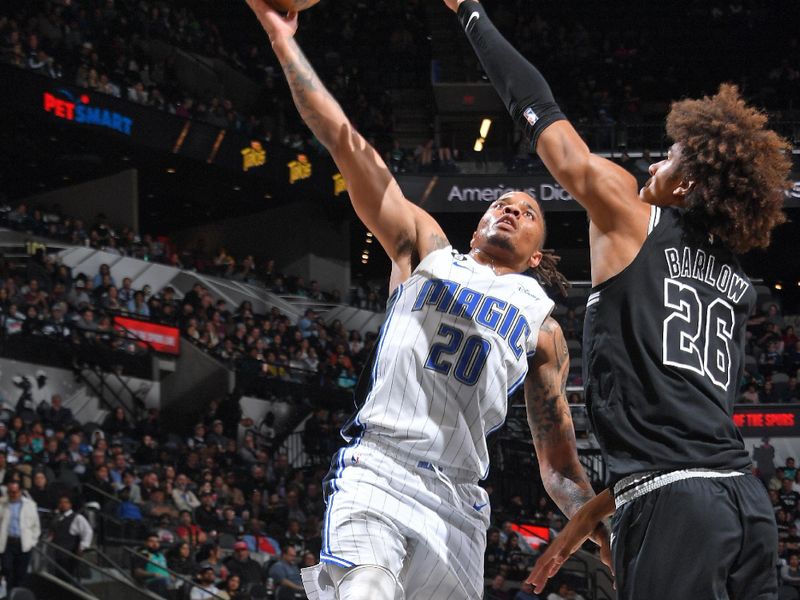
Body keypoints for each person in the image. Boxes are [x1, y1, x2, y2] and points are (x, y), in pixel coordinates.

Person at [245, 2, 609, 599]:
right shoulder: (428, 250)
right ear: (475, 228)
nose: (512, 209)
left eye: (529, 210)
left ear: (540, 256)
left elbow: (559, 467)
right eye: (500, 204)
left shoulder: (542, 329)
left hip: (459, 503)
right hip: (379, 466)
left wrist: (602, 526)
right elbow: (346, 143)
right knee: (366, 586)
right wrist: (285, 42)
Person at [444, 1, 791, 598]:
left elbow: (542, 113)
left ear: (686, 183)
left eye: (669, 156)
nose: (654, 160)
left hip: (676, 506)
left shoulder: (634, 215)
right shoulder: (738, 287)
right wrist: (587, 513)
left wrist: (469, 11)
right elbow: (693, 441)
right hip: (748, 506)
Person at [0, 481, 41, 593]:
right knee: (7, 569)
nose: (12, 494)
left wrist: (33, 542)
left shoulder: (30, 505)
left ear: (20, 491)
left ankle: (18, 595)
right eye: (10, 492)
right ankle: (10, 593)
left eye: (15, 492)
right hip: (7, 542)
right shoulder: (2, 504)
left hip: (24, 543)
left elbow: (36, 526)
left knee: (21, 573)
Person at [49, 495, 93, 583]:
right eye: (61, 503)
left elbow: (87, 531)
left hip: (69, 555)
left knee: (68, 579)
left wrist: (83, 546)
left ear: (70, 505)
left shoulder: (77, 517)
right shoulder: (57, 518)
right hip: (56, 554)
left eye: (65, 502)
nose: (63, 505)